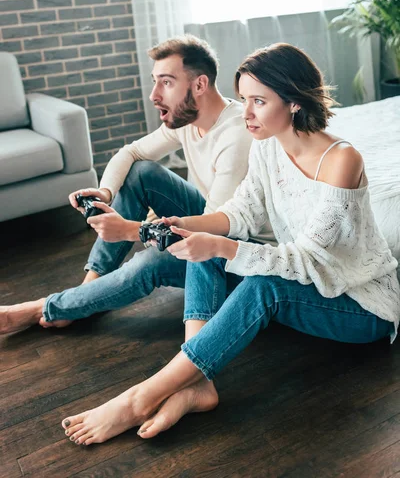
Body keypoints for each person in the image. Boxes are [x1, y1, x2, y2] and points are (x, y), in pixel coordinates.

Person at [53, 43, 398, 446]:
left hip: (360, 304)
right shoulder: (268, 145)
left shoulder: (342, 160)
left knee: (256, 282)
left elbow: (306, 260)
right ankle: (196, 382)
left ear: (293, 102)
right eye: (245, 98)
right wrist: (174, 226)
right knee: (209, 241)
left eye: (258, 101)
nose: (245, 112)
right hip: (307, 289)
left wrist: (220, 248)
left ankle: (141, 397)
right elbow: (239, 214)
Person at [0, 35, 261, 334]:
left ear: (199, 85)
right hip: (208, 216)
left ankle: (45, 307)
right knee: (141, 172)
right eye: (155, 81)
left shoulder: (235, 135)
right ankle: (89, 290)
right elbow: (131, 153)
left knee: (150, 262)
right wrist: (105, 192)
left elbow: (212, 228)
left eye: (166, 82)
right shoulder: (189, 120)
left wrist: (132, 230)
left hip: (238, 248)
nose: (154, 94)